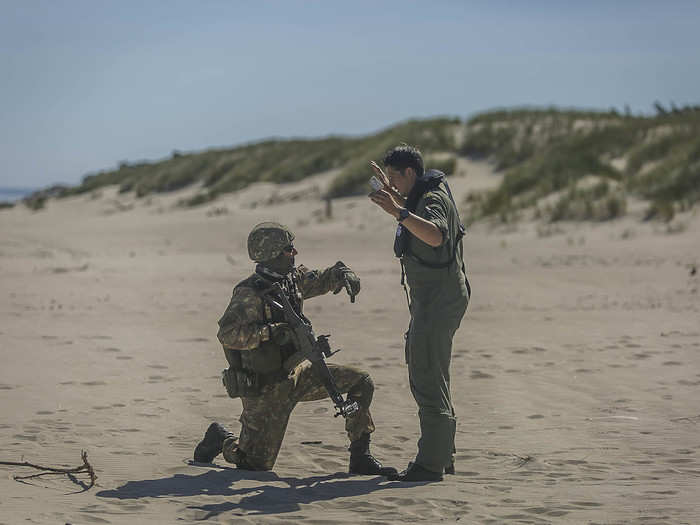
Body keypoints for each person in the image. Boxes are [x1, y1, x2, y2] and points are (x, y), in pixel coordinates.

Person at [193, 222, 396, 476]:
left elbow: (321, 278)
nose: (295, 253)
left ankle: (360, 457)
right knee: (255, 465)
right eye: (289, 249)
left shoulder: (291, 280)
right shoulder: (249, 294)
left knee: (361, 382)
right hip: (267, 388)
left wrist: (343, 275)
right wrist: (270, 332)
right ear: (273, 254)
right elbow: (227, 334)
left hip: (300, 373)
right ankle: (221, 439)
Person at [368, 145, 470, 482]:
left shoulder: (431, 199)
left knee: (426, 373)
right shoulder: (421, 194)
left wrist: (398, 210)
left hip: (439, 300)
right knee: (432, 371)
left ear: (410, 173)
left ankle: (430, 465)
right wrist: (397, 198)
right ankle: (443, 456)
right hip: (436, 298)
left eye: (396, 177)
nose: (393, 185)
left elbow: (436, 234)